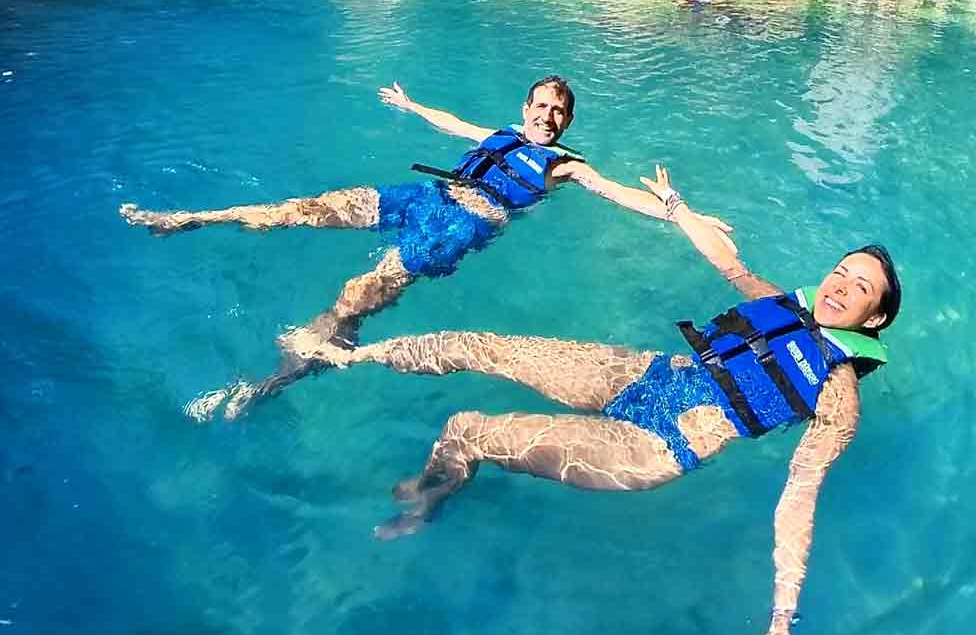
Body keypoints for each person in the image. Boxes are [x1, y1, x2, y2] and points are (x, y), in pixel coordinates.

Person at [303, 168, 902, 635]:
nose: (843, 287)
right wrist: (677, 207)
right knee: (478, 345)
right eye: (841, 272)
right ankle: (346, 355)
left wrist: (780, 620)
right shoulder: (777, 303)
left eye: (861, 287)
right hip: (647, 376)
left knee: (465, 427)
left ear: (873, 321)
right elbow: (729, 261)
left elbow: (800, 496)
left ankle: (427, 502)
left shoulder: (837, 397)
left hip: (653, 444)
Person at [119, 78, 731, 421]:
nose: (548, 116)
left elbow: (623, 195)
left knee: (353, 298)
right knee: (303, 209)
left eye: (559, 112)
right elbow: (453, 123)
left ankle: (268, 385)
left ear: (566, 125)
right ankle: (193, 218)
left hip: (453, 230)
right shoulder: (503, 132)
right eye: (542, 105)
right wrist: (412, 105)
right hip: (422, 197)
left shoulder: (566, 166)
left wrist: (678, 209)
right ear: (526, 107)